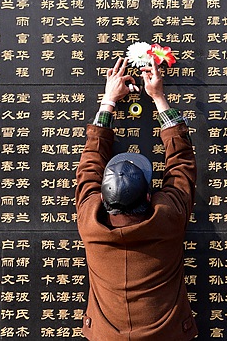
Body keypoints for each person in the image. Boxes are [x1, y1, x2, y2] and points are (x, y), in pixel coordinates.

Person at [75, 56, 198, 340]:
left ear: (104, 198)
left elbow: (90, 164)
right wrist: (158, 97)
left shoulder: (90, 223)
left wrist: (108, 101)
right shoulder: (168, 217)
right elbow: (181, 163)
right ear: (148, 193)